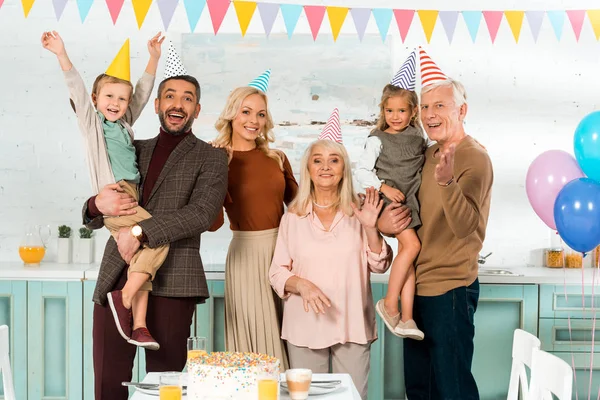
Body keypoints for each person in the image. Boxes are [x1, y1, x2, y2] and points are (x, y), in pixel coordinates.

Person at [82, 74, 228, 399]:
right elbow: (97, 211)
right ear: (157, 104)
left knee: (166, 389)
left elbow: (201, 214)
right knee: (108, 385)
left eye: (187, 98)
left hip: (175, 282)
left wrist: (140, 230)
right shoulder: (130, 147)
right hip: (114, 278)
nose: (178, 104)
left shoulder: (212, 158)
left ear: (197, 109)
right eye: (170, 96)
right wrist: (94, 205)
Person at [42, 30, 168, 349]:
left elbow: (141, 93)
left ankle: (139, 326)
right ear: (97, 99)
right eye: (108, 97)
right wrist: (61, 53)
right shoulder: (93, 123)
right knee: (158, 240)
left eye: (121, 99)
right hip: (116, 197)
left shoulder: (124, 124)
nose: (115, 103)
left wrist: (153, 58)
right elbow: (78, 90)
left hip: (134, 196)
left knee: (142, 256)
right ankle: (123, 298)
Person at [378, 77, 493, 399]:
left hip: (450, 287)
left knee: (451, 388)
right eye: (426, 106)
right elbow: (408, 210)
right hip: (417, 290)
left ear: (462, 110)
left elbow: (464, 226)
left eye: (440, 105)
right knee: (418, 389)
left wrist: (447, 184)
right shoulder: (427, 154)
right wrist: (385, 223)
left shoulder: (474, 157)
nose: (430, 114)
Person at [269, 132, 404, 400]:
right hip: (304, 324)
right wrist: (302, 285)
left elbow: (380, 265)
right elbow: (277, 272)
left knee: (352, 396)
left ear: (344, 169)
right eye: (318, 161)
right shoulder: (293, 217)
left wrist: (370, 228)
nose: (326, 167)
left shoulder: (362, 209)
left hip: (351, 323)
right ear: (308, 168)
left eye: (334, 160)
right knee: (306, 398)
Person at [210, 81, 298, 369]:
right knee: (254, 343)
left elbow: (301, 208)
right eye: (246, 112)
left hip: (286, 253)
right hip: (246, 256)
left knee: (290, 334)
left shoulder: (277, 158)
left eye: (261, 114)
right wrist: (211, 169)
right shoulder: (217, 159)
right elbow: (213, 221)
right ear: (231, 115)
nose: (254, 121)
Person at [354, 78, 426, 340]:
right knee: (413, 247)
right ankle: (389, 303)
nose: (395, 117)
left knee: (409, 260)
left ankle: (407, 319)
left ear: (414, 111)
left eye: (402, 111)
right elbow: (361, 170)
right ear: (382, 111)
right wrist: (383, 188)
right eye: (389, 111)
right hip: (389, 201)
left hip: (409, 202)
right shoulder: (378, 139)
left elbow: (428, 158)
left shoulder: (418, 137)